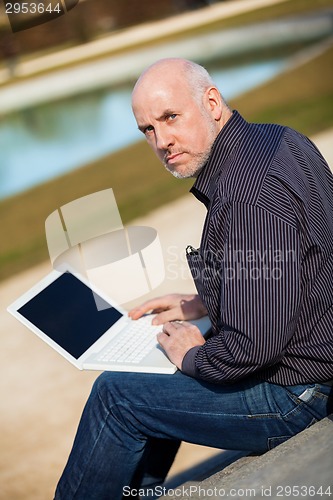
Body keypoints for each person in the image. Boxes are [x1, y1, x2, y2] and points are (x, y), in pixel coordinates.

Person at [54, 58, 333, 499]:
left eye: (170, 117)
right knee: (148, 374)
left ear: (212, 102)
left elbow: (251, 349)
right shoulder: (280, 139)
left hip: (297, 393)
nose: (162, 140)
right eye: (147, 129)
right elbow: (305, 257)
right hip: (315, 365)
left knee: (117, 396)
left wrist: (190, 358)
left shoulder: (245, 196)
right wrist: (207, 299)